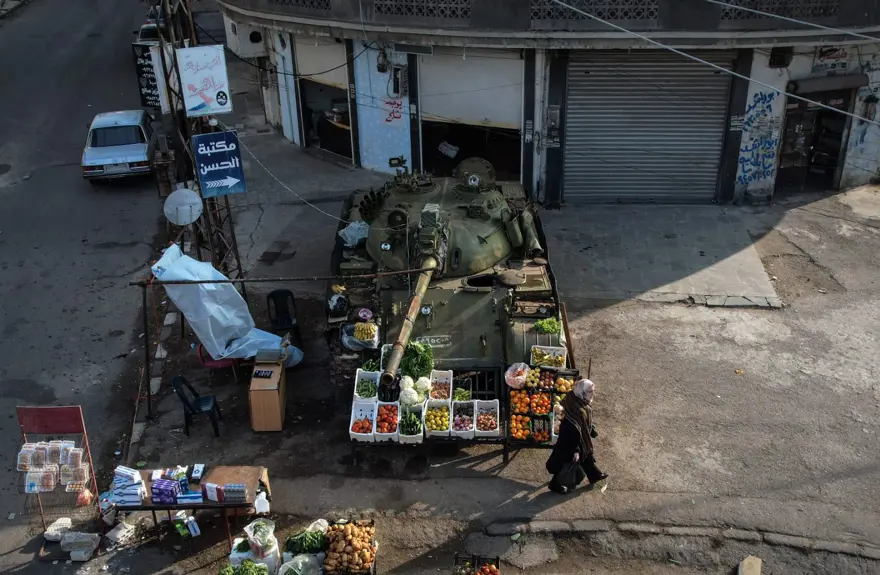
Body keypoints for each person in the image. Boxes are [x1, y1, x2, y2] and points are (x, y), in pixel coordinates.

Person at [545, 379, 608, 493]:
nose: (592, 394)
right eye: (589, 392)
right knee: (566, 462)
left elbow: (581, 424)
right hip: (569, 441)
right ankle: (555, 485)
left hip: (575, 436)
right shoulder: (578, 411)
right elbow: (574, 432)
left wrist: (590, 429)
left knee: (586, 453)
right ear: (582, 392)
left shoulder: (572, 395)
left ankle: (594, 475)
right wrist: (576, 450)